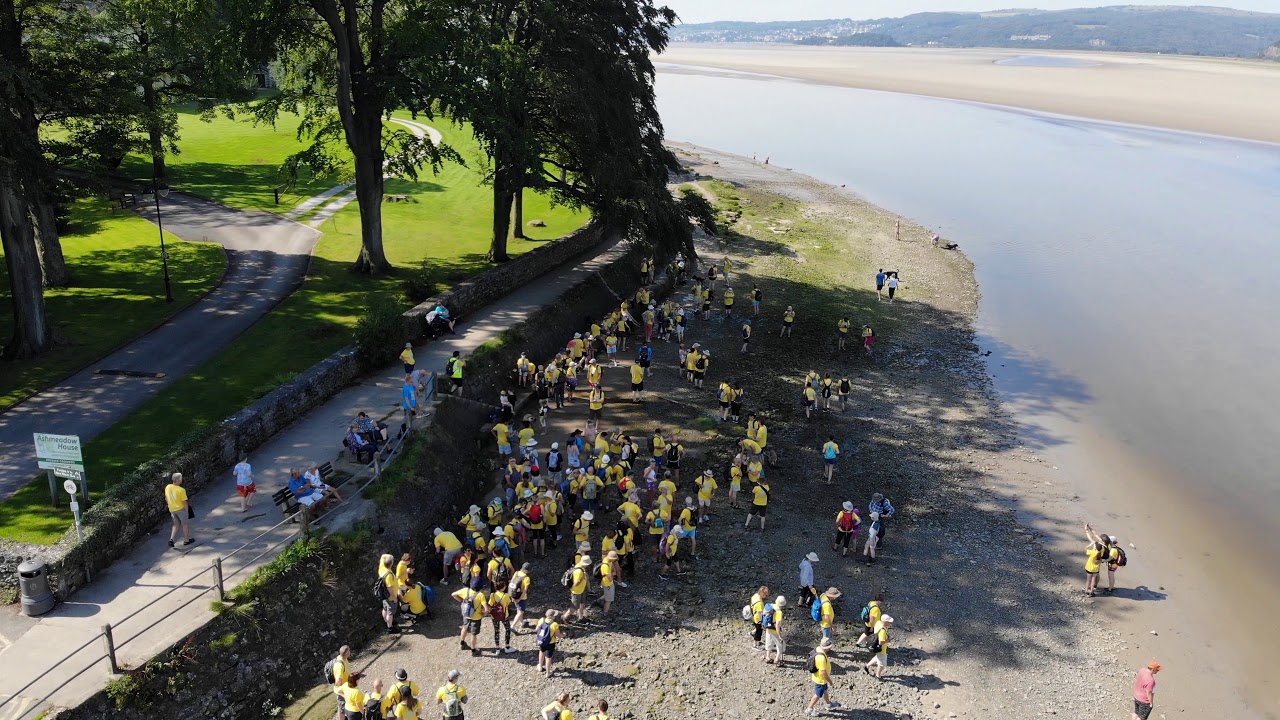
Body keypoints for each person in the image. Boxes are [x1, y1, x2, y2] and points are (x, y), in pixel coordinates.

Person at [806, 639, 840, 716]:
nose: (829, 648)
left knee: (825, 691)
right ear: (826, 647)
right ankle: (809, 709)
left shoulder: (818, 649)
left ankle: (829, 704)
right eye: (829, 647)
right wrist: (830, 681)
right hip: (820, 680)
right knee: (818, 695)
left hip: (819, 678)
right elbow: (823, 673)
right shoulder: (821, 658)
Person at [451, 584, 486, 653]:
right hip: (476, 618)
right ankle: (473, 650)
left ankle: (462, 644)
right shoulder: (481, 595)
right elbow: (486, 608)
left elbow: (453, 594)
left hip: (466, 615)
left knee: (464, 628)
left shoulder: (465, 590)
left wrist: (462, 600)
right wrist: (484, 614)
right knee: (473, 634)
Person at [164, 472, 192, 547]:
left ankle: (171, 539)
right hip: (180, 509)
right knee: (185, 524)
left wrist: (170, 505)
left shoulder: (168, 487)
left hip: (172, 509)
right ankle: (186, 540)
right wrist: (187, 511)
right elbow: (184, 502)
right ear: (179, 480)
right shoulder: (181, 490)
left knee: (176, 525)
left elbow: (166, 498)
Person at [1083, 523, 1110, 597]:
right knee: (1093, 580)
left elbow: (1091, 538)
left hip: (1089, 566)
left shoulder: (1094, 547)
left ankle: (1086, 590)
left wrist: (1086, 530)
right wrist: (1091, 528)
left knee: (1088, 579)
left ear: (1102, 541)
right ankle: (1092, 592)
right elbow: (1095, 535)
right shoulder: (1104, 549)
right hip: (1096, 568)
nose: (1099, 538)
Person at [378, 553, 402, 634]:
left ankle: (386, 622)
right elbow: (389, 588)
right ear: (391, 563)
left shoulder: (382, 568)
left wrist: (388, 557)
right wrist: (394, 597)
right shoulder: (389, 575)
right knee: (390, 613)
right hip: (390, 597)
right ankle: (390, 628)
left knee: (385, 608)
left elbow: (382, 556)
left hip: (384, 596)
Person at [862, 615, 893, 680]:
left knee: (878, 657)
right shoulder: (882, 631)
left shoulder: (878, 623)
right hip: (881, 649)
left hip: (875, 645)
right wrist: (887, 640)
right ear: (885, 621)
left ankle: (867, 666)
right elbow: (881, 643)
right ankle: (878, 675)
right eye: (889, 621)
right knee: (882, 664)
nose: (890, 623)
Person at [488, 584, 515, 654]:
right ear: (502, 588)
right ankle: (507, 647)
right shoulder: (505, 596)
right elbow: (509, 603)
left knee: (496, 631)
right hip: (504, 615)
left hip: (494, 616)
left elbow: (490, 605)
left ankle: (497, 648)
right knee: (507, 630)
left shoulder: (492, 595)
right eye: (504, 586)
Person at [564, 556, 592, 623]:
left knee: (582, 604)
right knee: (574, 607)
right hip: (576, 592)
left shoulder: (580, 566)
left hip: (581, 590)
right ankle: (564, 618)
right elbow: (575, 584)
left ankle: (581, 617)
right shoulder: (579, 571)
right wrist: (583, 578)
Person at [536, 609, 562, 677]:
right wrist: (563, 635)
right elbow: (558, 635)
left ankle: (540, 666)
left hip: (541, 641)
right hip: (550, 643)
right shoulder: (554, 624)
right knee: (548, 657)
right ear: (552, 616)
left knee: (541, 651)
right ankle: (548, 673)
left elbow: (537, 629)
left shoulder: (541, 620)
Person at [762, 595, 787, 665]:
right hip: (774, 630)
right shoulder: (779, 612)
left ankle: (768, 657)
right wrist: (779, 636)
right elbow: (777, 625)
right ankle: (777, 659)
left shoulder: (771, 605)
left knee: (769, 642)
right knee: (780, 644)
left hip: (768, 627)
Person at [328, 645, 352, 717]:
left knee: (343, 706)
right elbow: (338, 681)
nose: (350, 652)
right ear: (347, 653)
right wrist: (340, 692)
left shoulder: (343, 658)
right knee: (342, 707)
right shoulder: (339, 666)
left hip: (346, 687)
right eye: (349, 651)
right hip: (342, 690)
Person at [748, 585, 770, 650]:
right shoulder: (759, 603)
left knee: (757, 627)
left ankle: (752, 633)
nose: (766, 596)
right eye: (765, 595)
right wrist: (762, 622)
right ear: (762, 594)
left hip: (753, 616)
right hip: (758, 619)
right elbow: (759, 613)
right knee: (759, 631)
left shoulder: (755, 596)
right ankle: (755, 645)